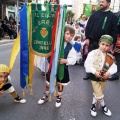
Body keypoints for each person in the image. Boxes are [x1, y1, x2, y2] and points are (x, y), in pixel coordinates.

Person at [38, 25, 76, 107]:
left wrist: (66, 61)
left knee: (60, 84)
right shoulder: (55, 43)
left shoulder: (70, 47)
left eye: (72, 35)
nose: (69, 37)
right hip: (52, 67)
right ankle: (46, 95)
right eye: (68, 34)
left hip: (63, 69)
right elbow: (49, 53)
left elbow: (73, 59)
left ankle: (59, 97)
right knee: (48, 82)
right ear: (63, 33)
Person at [83, 0, 118, 80]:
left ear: (108, 3)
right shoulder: (95, 14)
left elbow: (114, 31)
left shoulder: (113, 17)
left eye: (103, 2)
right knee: (91, 57)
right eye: (100, 2)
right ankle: (89, 74)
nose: (101, 3)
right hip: (92, 41)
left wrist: (110, 43)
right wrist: (87, 37)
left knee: (102, 59)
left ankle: (100, 74)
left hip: (104, 44)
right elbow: (88, 26)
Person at [84, 35, 117, 117]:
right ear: (99, 43)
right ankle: (103, 106)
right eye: (103, 44)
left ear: (110, 46)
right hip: (94, 77)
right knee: (99, 93)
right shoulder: (92, 53)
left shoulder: (110, 57)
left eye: (107, 45)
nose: (104, 47)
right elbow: (87, 64)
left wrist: (109, 73)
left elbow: (114, 67)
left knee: (97, 93)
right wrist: (94, 72)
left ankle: (93, 107)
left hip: (104, 79)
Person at [109, 12, 120, 81]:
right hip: (116, 37)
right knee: (117, 56)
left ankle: (117, 74)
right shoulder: (117, 14)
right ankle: (117, 73)